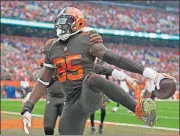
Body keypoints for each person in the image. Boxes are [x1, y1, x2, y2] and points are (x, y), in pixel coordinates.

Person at [21, 7, 176, 135]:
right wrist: (28, 108)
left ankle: (140, 111)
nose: (61, 26)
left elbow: (115, 59)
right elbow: (43, 80)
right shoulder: (51, 46)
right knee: (64, 131)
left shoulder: (87, 37)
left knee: (92, 78)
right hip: (71, 103)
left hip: (90, 94)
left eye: (65, 22)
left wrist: (152, 74)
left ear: (78, 23)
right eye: (59, 22)